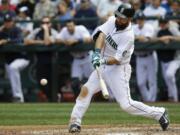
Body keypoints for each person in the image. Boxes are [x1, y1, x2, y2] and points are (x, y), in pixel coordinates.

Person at [68, 3, 169, 133]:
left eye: (122, 18)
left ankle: (159, 113)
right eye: (118, 16)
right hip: (103, 64)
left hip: (118, 69)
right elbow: (101, 36)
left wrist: (101, 60)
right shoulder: (112, 21)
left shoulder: (128, 36)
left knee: (126, 105)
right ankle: (75, 122)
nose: (119, 19)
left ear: (129, 19)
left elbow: (116, 59)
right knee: (86, 90)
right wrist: (97, 53)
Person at [56, 19, 93, 98]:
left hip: (87, 57)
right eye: (68, 26)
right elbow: (57, 40)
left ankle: (90, 100)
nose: (69, 28)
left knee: (89, 81)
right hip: (76, 59)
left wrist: (76, 41)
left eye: (71, 26)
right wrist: (65, 41)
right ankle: (78, 100)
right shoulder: (64, 30)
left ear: (74, 25)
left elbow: (88, 39)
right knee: (74, 83)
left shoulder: (80, 29)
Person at [24, 16, 58, 101]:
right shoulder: (37, 31)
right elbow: (26, 41)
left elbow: (47, 42)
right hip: (40, 60)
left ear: (50, 24)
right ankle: (49, 98)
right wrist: (39, 42)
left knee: (52, 83)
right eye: (43, 23)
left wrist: (46, 30)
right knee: (40, 82)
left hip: (52, 61)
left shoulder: (54, 32)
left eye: (47, 23)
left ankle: (54, 98)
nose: (45, 25)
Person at [0, 13, 29, 102]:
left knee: (13, 67)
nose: (7, 23)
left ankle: (18, 97)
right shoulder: (2, 32)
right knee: (11, 73)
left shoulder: (16, 30)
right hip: (9, 61)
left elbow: (20, 39)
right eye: (6, 22)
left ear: (12, 22)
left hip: (22, 58)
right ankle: (17, 97)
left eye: (9, 21)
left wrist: (7, 41)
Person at [133, 12, 157, 102]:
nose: (140, 21)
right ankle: (147, 100)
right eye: (138, 19)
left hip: (149, 56)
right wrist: (138, 37)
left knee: (152, 81)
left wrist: (136, 37)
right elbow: (129, 38)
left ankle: (152, 100)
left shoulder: (149, 27)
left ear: (144, 20)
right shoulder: (133, 27)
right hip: (139, 57)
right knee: (140, 83)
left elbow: (146, 39)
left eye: (142, 19)